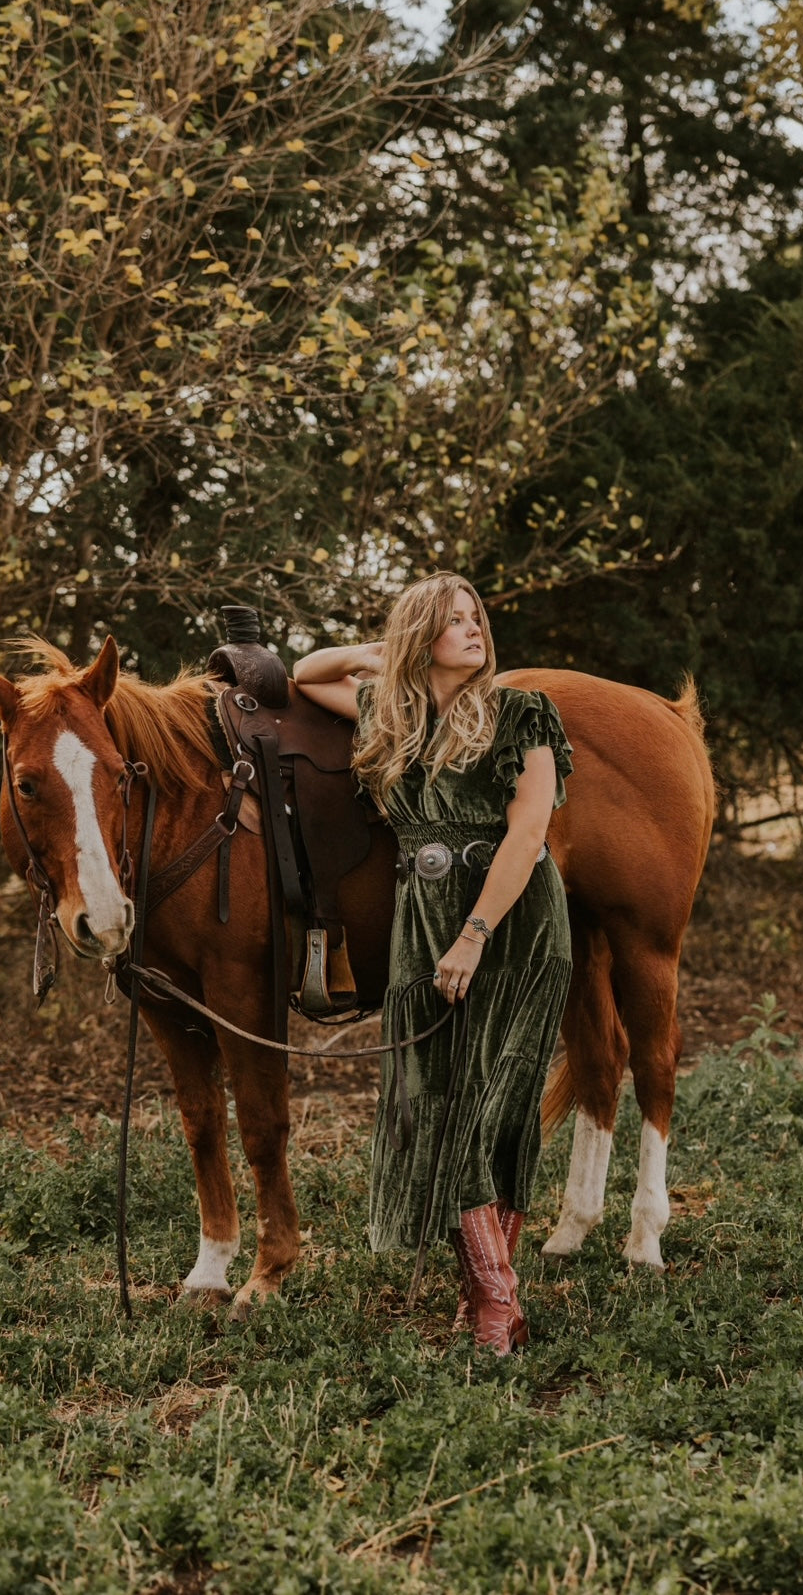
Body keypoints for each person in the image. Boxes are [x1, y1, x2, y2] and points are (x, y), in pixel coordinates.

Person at [293, 572, 573, 1354]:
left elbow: (527, 835)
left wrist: (475, 933)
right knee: (432, 1104)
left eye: (475, 616)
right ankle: (489, 1292)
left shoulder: (521, 712)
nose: (474, 629)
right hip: (422, 925)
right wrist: (378, 652)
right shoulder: (394, 713)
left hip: (510, 923)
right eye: (452, 622)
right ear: (422, 639)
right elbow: (306, 673)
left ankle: (492, 1301)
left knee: (491, 1106)